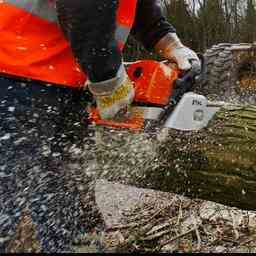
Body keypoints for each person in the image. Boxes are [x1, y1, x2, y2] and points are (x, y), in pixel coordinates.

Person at [0, 0, 200, 121]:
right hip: (17, 77)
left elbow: (142, 10)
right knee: (23, 186)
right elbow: (86, 10)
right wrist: (109, 79)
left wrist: (171, 44)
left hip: (66, 83)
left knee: (67, 186)